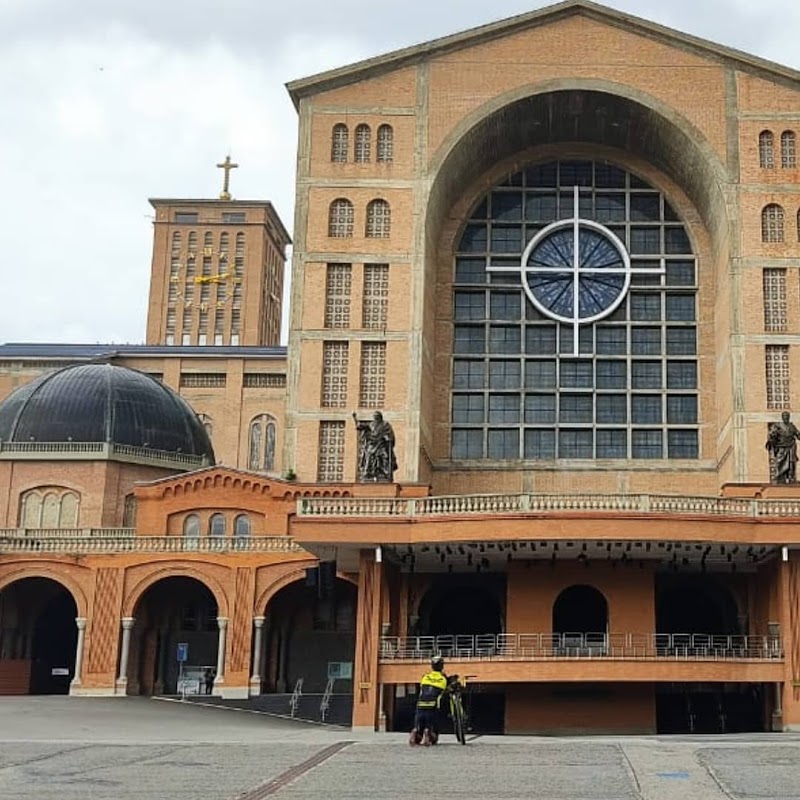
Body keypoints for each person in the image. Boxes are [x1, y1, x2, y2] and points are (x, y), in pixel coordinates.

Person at [409, 655, 448, 747]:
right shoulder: (443, 679)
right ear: (442, 666)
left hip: (420, 705)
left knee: (419, 729)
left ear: (432, 666)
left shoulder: (425, 677)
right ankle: (429, 733)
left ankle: (415, 731)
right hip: (433, 707)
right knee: (433, 734)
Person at [352, 410, 397, 482]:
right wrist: (355, 418)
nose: (376, 418)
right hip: (372, 444)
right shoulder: (371, 424)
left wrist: (388, 438)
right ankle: (368, 473)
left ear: (380, 417)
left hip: (381, 444)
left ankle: (385, 472)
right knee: (369, 456)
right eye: (375, 417)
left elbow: (390, 434)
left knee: (385, 456)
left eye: (377, 417)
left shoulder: (385, 424)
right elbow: (360, 426)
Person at [766, 411, 800, 484]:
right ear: (782, 417)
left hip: (791, 446)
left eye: (787, 416)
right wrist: (772, 438)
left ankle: (791, 477)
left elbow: (797, 434)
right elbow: (772, 434)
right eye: (784, 416)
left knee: (791, 463)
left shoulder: (791, 426)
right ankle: (779, 477)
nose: (786, 418)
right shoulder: (778, 425)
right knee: (779, 462)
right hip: (781, 447)